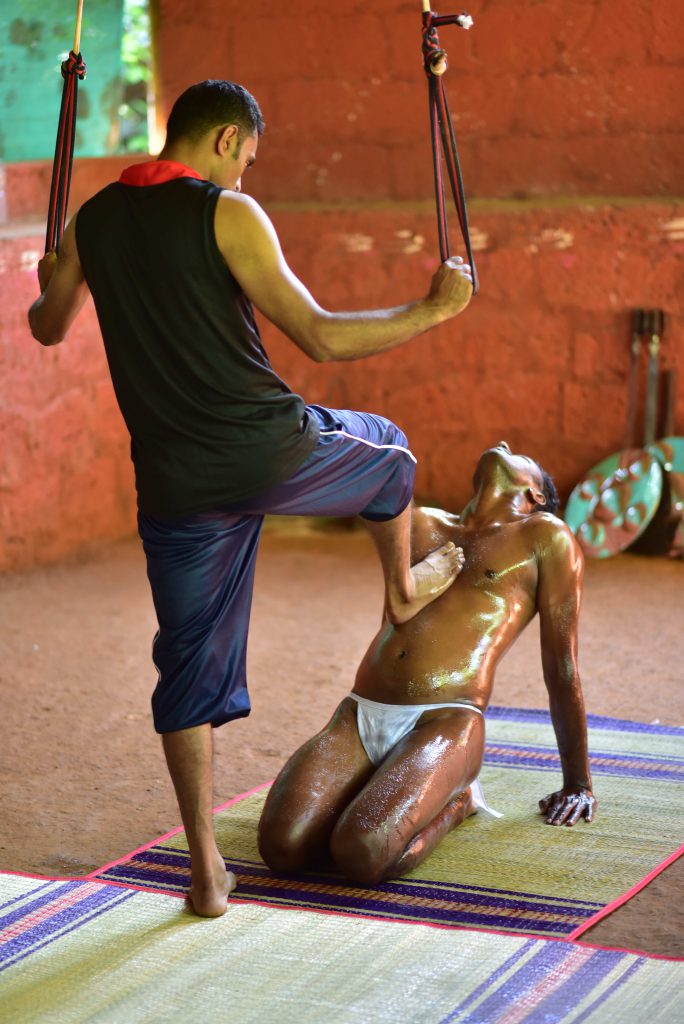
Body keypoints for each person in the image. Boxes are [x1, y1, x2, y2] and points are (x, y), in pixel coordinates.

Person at [27, 80, 473, 916]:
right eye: (251, 162)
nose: (247, 178)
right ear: (228, 141)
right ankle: (405, 596)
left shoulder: (92, 217)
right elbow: (323, 337)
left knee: (185, 667)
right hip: (269, 451)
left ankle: (204, 870)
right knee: (390, 456)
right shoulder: (227, 214)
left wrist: (54, 278)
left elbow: (47, 328)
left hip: (173, 481)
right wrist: (434, 309)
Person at [258, 441, 597, 885]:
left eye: (522, 456)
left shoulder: (543, 536)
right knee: (281, 848)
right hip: (359, 712)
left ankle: (457, 803)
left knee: (361, 853)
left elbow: (562, 668)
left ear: (534, 495)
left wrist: (578, 784)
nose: (504, 445)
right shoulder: (421, 522)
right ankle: (388, 781)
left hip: (445, 722)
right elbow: (393, 611)